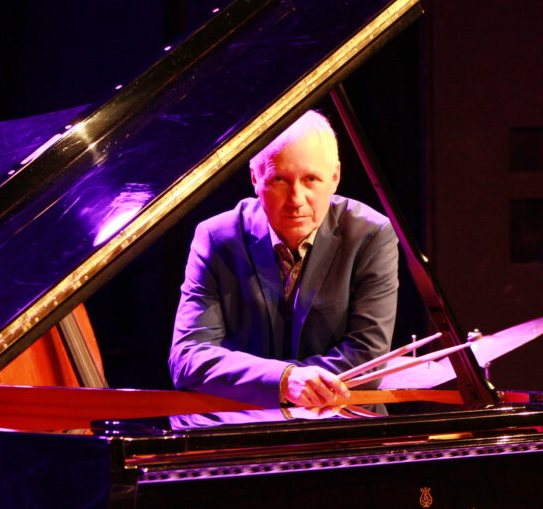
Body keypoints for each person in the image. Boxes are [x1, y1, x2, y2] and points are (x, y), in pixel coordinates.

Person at [168, 110, 398, 409]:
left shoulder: (371, 233)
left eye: (311, 179)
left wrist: (293, 383)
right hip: (240, 419)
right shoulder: (216, 236)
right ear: (255, 178)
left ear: (335, 177)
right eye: (279, 180)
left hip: (339, 417)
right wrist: (283, 379)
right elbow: (188, 358)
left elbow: (368, 360)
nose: (296, 200)